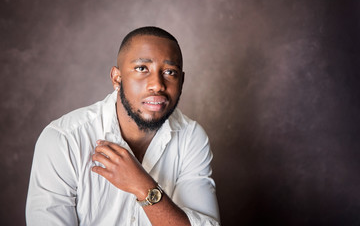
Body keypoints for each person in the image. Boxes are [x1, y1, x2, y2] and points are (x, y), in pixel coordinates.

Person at [26, 26, 220, 225]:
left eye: (170, 72)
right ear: (117, 78)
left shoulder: (191, 137)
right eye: (142, 68)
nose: (157, 85)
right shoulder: (64, 140)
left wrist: (144, 188)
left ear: (182, 81)